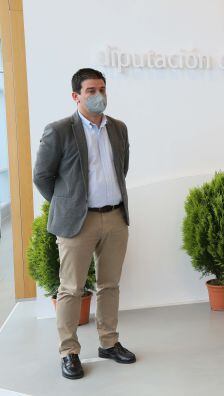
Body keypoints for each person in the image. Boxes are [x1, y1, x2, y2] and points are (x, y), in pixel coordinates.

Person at [33, 68, 135, 380]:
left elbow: (122, 168)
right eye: (90, 90)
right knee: (71, 288)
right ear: (76, 95)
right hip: (79, 222)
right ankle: (69, 352)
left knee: (110, 284)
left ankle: (109, 342)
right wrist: (69, 203)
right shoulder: (59, 130)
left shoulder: (118, 128)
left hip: (115, 217)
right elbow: (42, 176)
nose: (98, 95)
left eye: (102, 89)